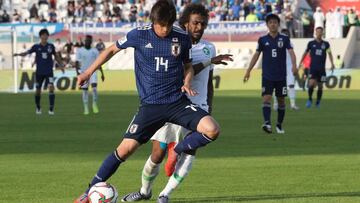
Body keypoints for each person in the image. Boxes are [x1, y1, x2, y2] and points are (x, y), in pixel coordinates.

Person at [74, 1, 220, 202]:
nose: (165, 29)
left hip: (177, 102)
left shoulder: (181, 38)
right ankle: (89, 191)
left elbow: (187, 67)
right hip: (151, 107)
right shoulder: (138, 34)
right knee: (125, 150)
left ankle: (178, 149)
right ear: (153, 22)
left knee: (212, 129)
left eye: (169, 25)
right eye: (162, 25)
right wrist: (89, 72)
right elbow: (110, 50)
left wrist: (186, 81)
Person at [120, 4, 233, 203]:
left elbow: (208, 80)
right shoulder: (176, 41)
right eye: (195, 22)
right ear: (185, 23)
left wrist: (209, 105)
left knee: (189, 152)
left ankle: (165, 194)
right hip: (171, 101)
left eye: (203, 24)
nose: (199, 27)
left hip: (197, 105)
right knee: (158, 152)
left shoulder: (209, 47)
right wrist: (209, 61)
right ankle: (145, 191)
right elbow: (182, 73)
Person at [244, 14, 297, 134]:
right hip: (267, 76)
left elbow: (292, 53)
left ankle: (279, 125)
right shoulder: (262, 40)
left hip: (281, 76)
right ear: (267, 25)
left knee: (281, 101)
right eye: (270, 22)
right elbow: (256, 55)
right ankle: (267, 123)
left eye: (275, 22)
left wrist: (294, 66)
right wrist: (249, 70)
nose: (273, 24)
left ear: (278, 24)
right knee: (266, 99)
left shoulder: (284, 39)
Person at [14, 28, 64, 115]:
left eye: (46, 35)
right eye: (43, 35)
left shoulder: (51, 46)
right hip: (39, 72)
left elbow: (56, 56)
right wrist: (18, 54)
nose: (45, 36)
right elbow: (27, 52)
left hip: (49, 72)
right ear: (40, 36)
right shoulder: (36, 47)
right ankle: (38, 107)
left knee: (51, 88)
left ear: (48, 36)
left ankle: (51, 109)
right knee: (38, 90)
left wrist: (61, 66)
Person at [299, 27, 335, 108]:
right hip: (313, 68)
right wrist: (300, 62)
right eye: (318, 32)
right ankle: (310, 99)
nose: (319, 33)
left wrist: (332, 64)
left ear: (322, 33)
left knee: (320, 86)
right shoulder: (311, 43)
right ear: (315, 33)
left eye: (320, 32)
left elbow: (330, 54)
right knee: (311, 84)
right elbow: (305, 53)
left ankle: (318, 101)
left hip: (322, 69)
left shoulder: (326, 44)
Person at [75, 35, 105, 115]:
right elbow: (77, 63)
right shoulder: (80, 50)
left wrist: (102, 73)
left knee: (94, 88)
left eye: (89, 40)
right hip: (83, 73)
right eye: (87, 40)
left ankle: (94, 104)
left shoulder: (95, 51)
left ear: (91, 42)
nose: (88, 41)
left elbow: (99, 62)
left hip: (93, 72)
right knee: (85, 91)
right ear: (85, 41)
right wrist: (78, 74)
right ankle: (86, 107)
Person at [273, 29, 299, 111]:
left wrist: (294, 65)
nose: (287, 36)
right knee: (276, 86)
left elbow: (292, 54)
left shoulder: (290, 43)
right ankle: (275, 104)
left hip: (289, 66)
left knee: (291, 85)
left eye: (287, 34)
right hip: (279, 67)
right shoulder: (276, 42)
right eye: (285, 34)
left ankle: (293, 104)